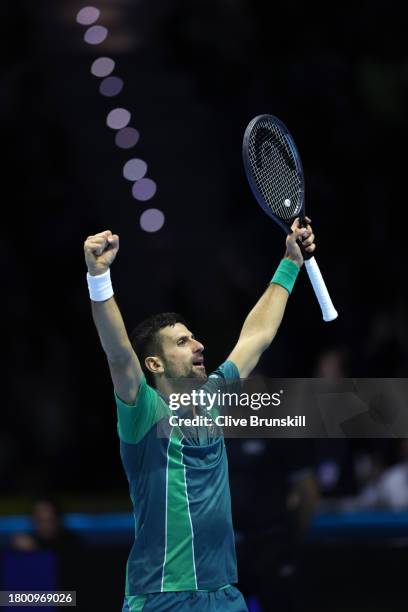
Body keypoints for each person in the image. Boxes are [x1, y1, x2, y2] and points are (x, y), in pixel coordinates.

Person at [83, 217, 316, 612]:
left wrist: (290, 262)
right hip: (160, 596)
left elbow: (256, 335)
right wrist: (98, 278)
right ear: (154, 364)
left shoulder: (214, 397)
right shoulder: (143, 411)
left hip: (223, 593)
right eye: (182, 341)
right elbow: (119, 353)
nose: (198, 344)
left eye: (193, 337)